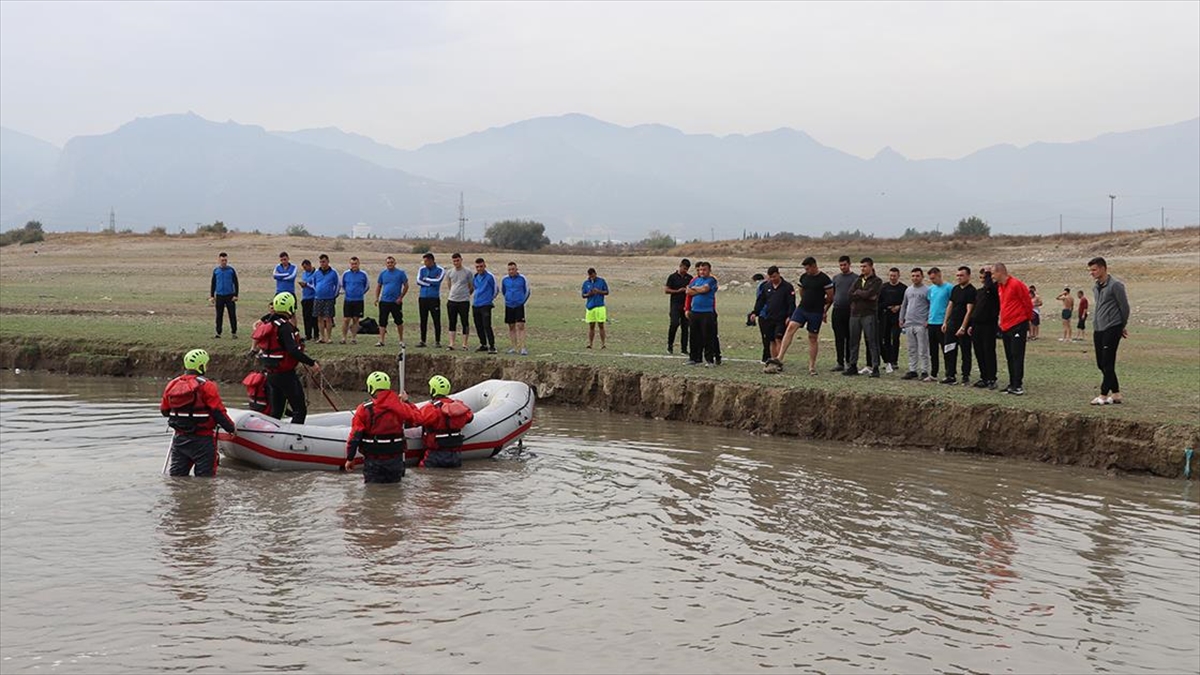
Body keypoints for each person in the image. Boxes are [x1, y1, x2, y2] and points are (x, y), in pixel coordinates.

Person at [160, 349, 236, 477]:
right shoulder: (207, 386)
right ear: (201, 366)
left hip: (180, 440)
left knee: (177, 478)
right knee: (205, 480)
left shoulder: (172, 384)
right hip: (203, 441)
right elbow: (218, 412)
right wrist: (231, 428)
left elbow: (165, 411)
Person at [343, 371, 422, 484]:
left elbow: (355, 436)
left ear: (371, 387)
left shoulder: (364, 409)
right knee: (395, 493)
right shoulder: (401, 407)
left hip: (373, 461)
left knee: (372, 493)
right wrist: (407, 402)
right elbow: (419, 419)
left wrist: (350, 458)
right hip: (395, 460)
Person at [254, 292, 320, 423]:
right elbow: (292, 351)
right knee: (300, 410)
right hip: (285, 375)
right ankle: (296, 441)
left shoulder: (269, 323)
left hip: (271, 374)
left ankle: (272, 437)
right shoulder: (284, 327)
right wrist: (311, 363)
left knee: (276, 411)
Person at [766, 257, 832, 376]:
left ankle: (811, 366)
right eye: (805, 269)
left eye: (808, 268)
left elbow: (830, 297)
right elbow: (801, 291)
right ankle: (779, 358)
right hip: (802, 309)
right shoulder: (804, 277)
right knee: (790, 327)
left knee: (812, 337)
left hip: (816, 312)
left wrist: (823, 310)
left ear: (814, 266)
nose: (806, 271)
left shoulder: (824, 279)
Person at [1088, 257, 1130, 405]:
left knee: (1108, 362)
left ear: (1103, 268)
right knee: (1101, 363)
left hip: (1112, 327)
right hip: (1098, 328)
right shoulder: (1096, 287)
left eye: (1094, 270)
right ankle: (1117, 393)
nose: (1091, 273)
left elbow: (1124, 307)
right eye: (1090, 270)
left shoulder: (1116, 285)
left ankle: (1103, 394)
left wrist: (1121, 326)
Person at [416, 375, 476, 468]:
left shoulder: (431, 409)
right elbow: (470, 417)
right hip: (455, 456)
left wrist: (406, 402)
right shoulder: (458, 406)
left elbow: (416, 419)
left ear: (433, 390)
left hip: (435, 455)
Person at [993, 262, 1034, 395]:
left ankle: (1018, 385)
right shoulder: (1000, 287)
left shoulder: (1016, 284)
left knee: (1017, 355)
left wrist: (1026, 320)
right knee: (1009, 355)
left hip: (1018, 324)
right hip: (1006, 325)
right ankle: (1012, 383)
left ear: (1000, 272)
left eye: (993, 273)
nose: (992, 276)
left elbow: (1027, 302)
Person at [751, 266, 795, 365]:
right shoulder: (767, 286)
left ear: (778, 274)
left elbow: (791, 303)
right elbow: (761, 301)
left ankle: (779, 361)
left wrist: (790, 316)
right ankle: (772, 361)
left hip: (781, 318)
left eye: (774, 277)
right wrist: (755, 312)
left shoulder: (787, 287)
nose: (773, 279)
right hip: (769, 317)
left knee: (778, 339)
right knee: (771, 341)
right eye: (770, 277)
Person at [846, 257, 882, 377]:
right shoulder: (858, 280)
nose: (862, 269)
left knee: (872, 341)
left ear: (871, 267)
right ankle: (853, 365)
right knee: (853, 341)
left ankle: (875, 366)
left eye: (865, 266)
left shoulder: (877, 281)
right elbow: (850, 294)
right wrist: (862, 294)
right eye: (861, 267)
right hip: (855, 314)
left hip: (868, 314)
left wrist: (859, 293)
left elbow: (870, 294)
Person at [942, 266, 976, 385]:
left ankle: (965, 376)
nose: (959, 277)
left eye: (961, 275)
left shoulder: (972, 291)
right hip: (952, 324)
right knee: (949, 350)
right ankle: (950, 375)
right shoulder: (955, 289)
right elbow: (950, 305)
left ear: (968, 276)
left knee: (965, 352)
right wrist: (945, 322)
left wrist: (963, 327)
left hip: (964, 327)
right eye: (957, 275)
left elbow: (969, 310)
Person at [969, 265, 1000, 389]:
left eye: (985, 277)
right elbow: (975, 309)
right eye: (981, 277)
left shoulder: (994, 290)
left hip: (989, 325)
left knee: (989, 351)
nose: (982, 279)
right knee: (979, 352)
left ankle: (992, 378)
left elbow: (990, 286)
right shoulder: (979, 292)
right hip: (977, 325)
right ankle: (984, 377)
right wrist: (971, 324)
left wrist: (989, 273)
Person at [899, 268, 932, 381]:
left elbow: (931, 306)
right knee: (911, 349)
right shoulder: (908, 290)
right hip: (909, 323)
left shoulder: (927, 290)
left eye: (917, 276)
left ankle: (924, 371)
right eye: (913, 276)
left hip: (921, 324)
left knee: (923, 349)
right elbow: (904, 305)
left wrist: (928, 320)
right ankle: (913, 370)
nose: (915, 278)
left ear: (922, 277)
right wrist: (901, 319)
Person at [685, 261, 719, 366]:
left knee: (707, 337)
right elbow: (687, 291)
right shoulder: (696, 280)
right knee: (694, 336)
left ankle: (709, 360)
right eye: (700, 270)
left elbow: (705, 289)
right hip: (695, 311)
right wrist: (698, 289)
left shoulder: (711, 280)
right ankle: (694, 358)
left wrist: (695, 289)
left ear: (709, 270)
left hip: (707, 312)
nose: (701, 272)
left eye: (704, 269)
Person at [829, 255, 857, 372]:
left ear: (849, 264)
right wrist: (825, 310)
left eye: (844, 265)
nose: (842, 267)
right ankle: (839, 362)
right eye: (840, 265)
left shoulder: (856, 278)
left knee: (849, 337)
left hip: (851, 311)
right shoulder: (835, 278)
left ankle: (850, 362)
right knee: (838, 337)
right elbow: (831, 296)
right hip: (837, 310)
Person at [374, 255, 409, 348]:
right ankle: (381, 340)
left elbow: (406, 285)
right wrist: (377, 298)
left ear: (395, 263)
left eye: (391, 262)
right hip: (384, 301)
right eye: (388, 263)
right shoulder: (383, 274)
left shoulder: (401, 273)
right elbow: (378, 286)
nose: (390, 264)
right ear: (386, 264)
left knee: (398, 321)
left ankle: (401, 340)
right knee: (382, 321)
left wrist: (401, 297)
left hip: (396, 302)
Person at [878, 267, 907, 374]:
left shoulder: (903, 288)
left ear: (898, 276)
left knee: (895, 338)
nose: (892, 278)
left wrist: (898, 307)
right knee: (885, 338)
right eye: (891, 275)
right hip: (885, 316)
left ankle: (895, 361)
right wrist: (888, 307)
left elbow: (906, 302)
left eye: (894, 276)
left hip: (898, 317)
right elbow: (879, 303)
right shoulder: (883, 287)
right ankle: (888, 361)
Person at [925, 267, 952, 379]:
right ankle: (934, 373)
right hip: (931, 322)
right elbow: (930, 304)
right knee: (933, 350)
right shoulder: (931, 289)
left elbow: (952, 304)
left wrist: (947, 321)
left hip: (942, 323)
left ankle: (948, 373)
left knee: (945, 349)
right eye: (931, 279)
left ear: (939, 275)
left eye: (934, 278)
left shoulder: (949, 288)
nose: (933, 280)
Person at [415, 253, 445, 348]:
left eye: (426, 261)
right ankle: (423, 340)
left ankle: (437, 341)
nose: (424, 263)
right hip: (423, 298)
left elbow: (438, 281)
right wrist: (429, 283)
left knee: (436, 320)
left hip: (434, 298)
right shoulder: (422, 269)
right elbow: (418, 281)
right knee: (423, 320)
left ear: (431, 260)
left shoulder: (440, 270)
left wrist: (426, 279)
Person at [502, 261, 531, 355]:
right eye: (509, 270)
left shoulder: (522, 279)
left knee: (520, 326)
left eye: (513, 269)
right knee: (511, 326)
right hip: (509, 305)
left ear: (516, 269)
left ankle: (523, 348)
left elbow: (527, 291)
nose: (511, 271)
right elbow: (503, 291)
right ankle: (514, 347)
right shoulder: (505, 280)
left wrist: (521, 301)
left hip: (519, 305)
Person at [445, 253, 473, 351]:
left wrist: (466, 294)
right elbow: (449, 284)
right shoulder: (449, 272)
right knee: (452, 322)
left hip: (464, 301)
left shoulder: (468, 272)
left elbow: (471, 286)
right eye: (454, 261)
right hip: (452, 300)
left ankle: (464, 344)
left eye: (457, 260)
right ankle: (451, 343)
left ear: (461, 260)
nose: (456, 262)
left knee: (464, 322)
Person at [472, 258, 500, 354]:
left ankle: (492, 346)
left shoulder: (490, 277)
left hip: (486, 305)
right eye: (477, 267)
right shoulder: (475, 276)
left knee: (487, 325)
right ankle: (483, 344)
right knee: (478, 325)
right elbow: (475, 288)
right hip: (476, 304)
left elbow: (496, 289)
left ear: (485, 266)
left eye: (481, 266)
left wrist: (489, 299)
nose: (479, 269)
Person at [340, 256, 370, 344]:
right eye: (352, 264)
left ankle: (353, 338)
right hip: (348, 300)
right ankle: (343, 338)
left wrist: (360, 293)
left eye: (355, 264)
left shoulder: (363, 274)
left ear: (358, 263)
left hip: (359, 300)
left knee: (356, 319)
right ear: (350, 264)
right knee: (346, 319)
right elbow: (342, 285)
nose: (354, 265)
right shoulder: (345, 274)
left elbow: (367, 286)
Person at [665, 259, 692, 355]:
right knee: (674, 324)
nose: (685, 270)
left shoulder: (689, 278)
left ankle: (684, 349)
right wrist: (678, 291)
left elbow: (692, 290)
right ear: (680, 266)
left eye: (687, 269)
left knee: (685, 327)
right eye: (684, 268)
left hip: (686, 306)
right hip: (675, 305)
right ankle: (670, 346)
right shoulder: (672, 277)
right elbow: (666, 290)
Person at [209, 252, 239, 339]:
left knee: (232, 315)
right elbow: (213, 284)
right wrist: (212, 295)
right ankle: (218, 333)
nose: (224, 262)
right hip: (219, 296)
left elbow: (236, 283)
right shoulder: (216, 271)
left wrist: (236, 295)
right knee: (219, 315)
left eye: (225, 260)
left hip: (230, 296)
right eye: (222, 260)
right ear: (219, 260)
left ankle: (234, 332)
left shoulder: (231, 270)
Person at [312, 254, 340, 344]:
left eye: (323, 262)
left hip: (329, 298)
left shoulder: (333, 272)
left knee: (328, 318)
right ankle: (322, 337)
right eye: (320, 262)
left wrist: (333, 295)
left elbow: (337, 285)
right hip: (318, 298)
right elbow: (314, 283)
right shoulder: (316, 272)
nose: (322, 264)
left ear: (328, 261)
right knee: (319, 318)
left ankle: (329, 337)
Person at [581, 267, 610, 349]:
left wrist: (598, 291)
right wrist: (589, 294)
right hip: (590, 307)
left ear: (595, 274)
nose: (592, 277)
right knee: (591, 326)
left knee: (601, 325)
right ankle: (590, 344)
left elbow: (607, 292)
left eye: (593, 275)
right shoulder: (586, 283)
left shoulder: (601, 281)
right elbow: (583, 295)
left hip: (600, 306)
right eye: (590, 276)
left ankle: (603, 344)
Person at [298, 259, 318, 341]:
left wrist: (307, 285)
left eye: (306, 267)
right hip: (305, 297)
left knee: (314, 317)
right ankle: (308, 334)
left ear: (310, 265)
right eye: (303, 268)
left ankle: (316, 334)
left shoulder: (316, 273)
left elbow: (316, 285)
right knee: (306, 317)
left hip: (313, 297)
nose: (305, 269)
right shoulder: (304, 274)